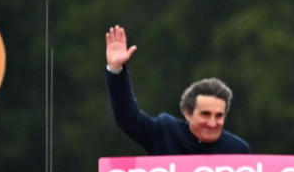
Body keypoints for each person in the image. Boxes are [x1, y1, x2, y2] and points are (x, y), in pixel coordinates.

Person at [104, 25, 249, 155]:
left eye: (219, 116)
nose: (212, 123)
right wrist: (116, 70)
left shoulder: (237, 151)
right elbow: (127, 118)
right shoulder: (165, 133)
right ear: (187, 113)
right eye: (205, 114)